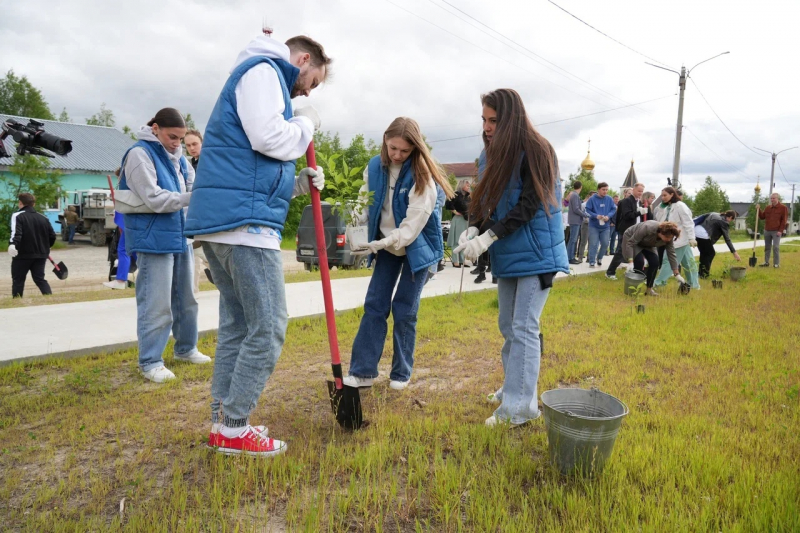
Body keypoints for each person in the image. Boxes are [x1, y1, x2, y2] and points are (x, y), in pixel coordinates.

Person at [185, 33, 330, 457]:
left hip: (227, 225)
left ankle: (222, 422)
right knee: (267, 329)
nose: (307, 89)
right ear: (303, 59)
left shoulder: (255, 76)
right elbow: (269, 139)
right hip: (245, 231)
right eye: (313, 80)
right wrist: (305, 125)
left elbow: (255, 166)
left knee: (239, 326)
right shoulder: (264, 71)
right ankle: (235, 427)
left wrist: (300, 183)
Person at [453, 89, 568, 427]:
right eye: (484, 120)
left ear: (512, 118)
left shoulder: (538, 150)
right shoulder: (488, 155)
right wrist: (474, 227)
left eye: (494, 120)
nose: (487, 127)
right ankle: (513, 387)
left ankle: (520, 409)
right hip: (509, 252)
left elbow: (531, 206)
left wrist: (490, 236)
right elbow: (486, 202)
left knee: (524, 327)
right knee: (508, 326)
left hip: (536, 252)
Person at [344, 117, 453, 391]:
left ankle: (400, 374)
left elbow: (412, 226)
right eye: (392, 148)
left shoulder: (423, 175)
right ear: (385, 140)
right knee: (375, 303)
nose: (396, 155)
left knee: (404, 308)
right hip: (388, 246)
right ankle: (363, 372)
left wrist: (383, 243)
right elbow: (365, 203)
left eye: (404, 151)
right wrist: (355, 220)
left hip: (418, 248)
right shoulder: (374, 167)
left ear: (414, 149)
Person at [118, 108, 210, 383]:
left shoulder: (178, 157)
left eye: (181, 139)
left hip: (180, 235)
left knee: (187, 298)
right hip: (152, 238)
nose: (177, 143)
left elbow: (192, 189)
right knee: (156, 303)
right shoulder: (139, 154)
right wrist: (193, 197)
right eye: (172, 137)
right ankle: (150, 361)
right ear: (155, 128)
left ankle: (186, 348)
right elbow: (155, 198)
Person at [8, 192, 56, 298]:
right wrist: (47, 247)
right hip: (41, 254)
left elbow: (16, 233)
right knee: (39, 278)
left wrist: (12, 244)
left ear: (20, 203)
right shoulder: (43, 217)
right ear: (33, 204)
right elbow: (52, 235)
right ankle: (49, 298)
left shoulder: (17, 215)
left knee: (18, 279)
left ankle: (17, 300)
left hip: (22, 254)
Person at [653, 187, 699, 289]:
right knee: (688, 263)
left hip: (680, 239)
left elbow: (688, 222)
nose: (663, 198)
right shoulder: (666, 207)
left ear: (672, 195)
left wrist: (691, 237)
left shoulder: (680, 206)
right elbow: (660, 221)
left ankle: (658, 283)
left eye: (665, 195)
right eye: (662, 196)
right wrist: (661, 207)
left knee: (668, 261)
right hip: (673, 239)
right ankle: (694, 285)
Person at [622, 220, 683, 296]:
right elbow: (631, 243)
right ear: (661, 232)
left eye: (671, 238)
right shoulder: (647, 227)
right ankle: (634, 290)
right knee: (639, 261)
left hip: (648, 243)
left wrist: (676, 273)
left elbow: (671, 253)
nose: (669, 239)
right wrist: (630, 261)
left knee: (655, 262)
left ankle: (649, 289)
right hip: (632, 239)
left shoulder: (668, 238)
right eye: (667, 237)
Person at [605, 183, 650, 280]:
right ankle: (610, 272)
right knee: (621, 251)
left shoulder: (638, 202)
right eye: (639, 191)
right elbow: (626, 215)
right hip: (627, 230)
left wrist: (642, 212)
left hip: (636, 230)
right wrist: (639, 212)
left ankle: (636, 272)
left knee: (636, 251)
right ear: (633, 190)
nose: (640, 193)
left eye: (642, 191)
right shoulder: (626, 201)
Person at [695, 210, 740, 278]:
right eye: (733, 219)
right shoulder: (724, 222)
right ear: (730, 217)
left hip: (696, 230)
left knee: (704, 253)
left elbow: (702, 217)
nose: (732, 221)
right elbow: (727, 239)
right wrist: (734, 252)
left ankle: (701, 273)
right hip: (702, 233)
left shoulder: (715, 214)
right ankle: (704, 275)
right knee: (711, 253)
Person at [585, 182, 616, 267]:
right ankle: (592, 261)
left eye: (606, 190)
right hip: (594, 226)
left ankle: (599, 257)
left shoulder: (609, 199)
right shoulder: (592, 199)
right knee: (594, 244)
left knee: (605, 243)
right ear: (598, 190)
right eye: (603, 190)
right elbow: (587, 210)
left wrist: (608, 216)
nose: (605, 191)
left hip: (605, 226)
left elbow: (613, 209)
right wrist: (596, 216)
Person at [103, 211, 137, 289]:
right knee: (134, 250)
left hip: (128, 218)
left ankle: (121, 280)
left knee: (123, 250)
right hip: (133, 219)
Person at [445, 179, 470, 267]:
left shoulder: (468, 196)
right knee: (457, 239)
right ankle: (455, 260)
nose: (468, 187)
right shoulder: (456, 194)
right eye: (467, 185)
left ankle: (462, 260)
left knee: (464, 240)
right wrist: (455, 212)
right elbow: (448, 203)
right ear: (462, 185)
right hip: (458, 219)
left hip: (466, 219)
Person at [758, 193, 788, 268]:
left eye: (773, 198)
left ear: (777, 198)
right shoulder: (768, 207)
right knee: (767, 247)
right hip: (767, 230)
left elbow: (784, 220)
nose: (772, 200)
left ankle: (776, 263)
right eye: (771, 198)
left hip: (776, 231)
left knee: (776, 247)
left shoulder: (783, 208)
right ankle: (766, 262)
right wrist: (758, 210)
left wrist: (780, 231)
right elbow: (762, 217)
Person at [566, 180, 588, 265]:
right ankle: (570, 257)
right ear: (581, 187)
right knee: (573, 240)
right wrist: (584, 214)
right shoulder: (575, 195)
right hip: (575, 220)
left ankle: (571, 257)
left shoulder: (574, 195)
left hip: (575, 220)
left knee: (573, 239)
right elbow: (576, 209)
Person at [577, 191, 592, 262]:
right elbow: (580, 213)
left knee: (591, 242)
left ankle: (589, 257)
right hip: (585, 224)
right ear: (589, 196)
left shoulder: (595, 205)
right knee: (583, 241)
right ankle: (580, 257)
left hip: (593, 225)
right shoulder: (583, 205)